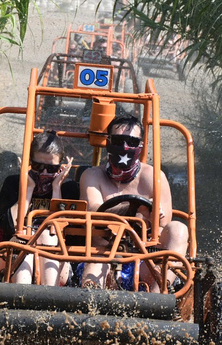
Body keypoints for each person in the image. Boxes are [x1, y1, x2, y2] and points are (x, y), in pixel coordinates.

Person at [78, 116, 189, 291]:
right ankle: (88, 308)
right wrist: (138, 210)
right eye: (118, 140)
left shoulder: (154, 177)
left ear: (140, 146)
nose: (124, 147)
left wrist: (152, 216)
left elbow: (163, 227)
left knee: (179, 229)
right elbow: (95, 212)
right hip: (102, 256)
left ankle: (158, 300)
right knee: (95, 266)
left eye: (131, 141)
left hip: (144, 261)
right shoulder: (92, 176)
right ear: (108, 142)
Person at [0, 131, 76, 286]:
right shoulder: (13, 184)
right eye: (38, 166)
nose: (44, 173)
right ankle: (21, 297)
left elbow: (66, 232)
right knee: (26, 238)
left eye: (51, 168)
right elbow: (10, 226)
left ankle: (49, 298)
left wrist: (56, 187)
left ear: (61, 166)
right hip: (11, 256)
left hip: (59, 260)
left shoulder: (68, 188)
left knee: (47, 235)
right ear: (29, 163)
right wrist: (28, 188)